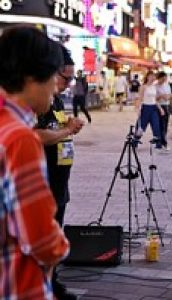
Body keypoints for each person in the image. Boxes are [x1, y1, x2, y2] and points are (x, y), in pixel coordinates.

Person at [0, 25, 69, 300]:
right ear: (31, 77)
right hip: (18, 284)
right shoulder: (20, 139)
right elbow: (40, 235)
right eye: (54, 75)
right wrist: (59, 249)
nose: (56, 86)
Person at [35, 45, 84, 299]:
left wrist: (68, 123)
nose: (69, 84)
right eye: (67, 78)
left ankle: (51, 282)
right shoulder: (35, 101)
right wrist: (65, 131)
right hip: (42, 182)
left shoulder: (53, 99)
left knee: (55, 231)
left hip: (59, 179)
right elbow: (36, 135)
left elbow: (54, 123)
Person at [136, 71, 167, 149]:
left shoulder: (154, 87)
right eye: (151, 76)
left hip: (153, 108)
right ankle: (135, 141)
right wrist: (138, 109)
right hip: (145, 107)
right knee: (142, 126)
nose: (152, 78)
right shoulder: (143, 87)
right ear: (147, 77)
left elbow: (155, 99)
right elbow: (140, 99)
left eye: (153, 76)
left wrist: (160, 109)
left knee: (156, 125)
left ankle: (158, 144)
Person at [156, 71, 172, 150]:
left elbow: (170, 94)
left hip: (166, 105)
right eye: (162, 79)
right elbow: (154, 98)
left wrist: (167, 97)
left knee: (165, 125)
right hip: (159, 106)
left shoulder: (167, 85)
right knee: (160, 125)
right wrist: (161, 96)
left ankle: (162, 140)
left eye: (165, 79)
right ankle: (162, 142)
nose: (163, 80)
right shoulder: (155, 86)